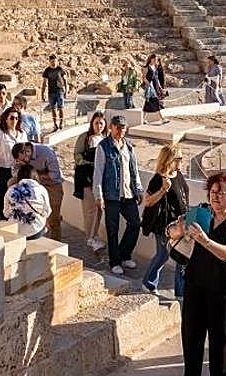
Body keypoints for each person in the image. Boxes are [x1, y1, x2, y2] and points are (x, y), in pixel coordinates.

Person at [168, 172, 226, 376]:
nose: (215, 197)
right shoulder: (201, 212)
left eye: (221, 193)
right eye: (213, 192)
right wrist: (177, 230)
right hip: (194, 288)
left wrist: (205, 241)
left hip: (222, 295)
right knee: (191, 350)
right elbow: (170, 230)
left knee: (219, 356)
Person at [93, 114, 143, 275]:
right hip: (111, 195)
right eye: (118, 127)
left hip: (128, 194)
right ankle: (115, 261)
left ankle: (124, 254)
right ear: (111, 127)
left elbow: (134, 169)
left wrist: (138, 189)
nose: (121, 130)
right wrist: (98, 195)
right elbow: (98, 172)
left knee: (135, 223)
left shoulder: (128, 146)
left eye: (123, 127)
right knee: (112, 229)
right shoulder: (103, 146)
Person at [140, 144, 189, 295]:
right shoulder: (158, 179)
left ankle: (180, 292)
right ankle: (148, 283)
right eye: (178, 158)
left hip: (181, 224)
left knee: (182, 257)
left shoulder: (178, 175)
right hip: (164, 225)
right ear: (169, 160)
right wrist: (163, 190)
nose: (181, 161)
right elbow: (147, 201)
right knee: (163, 255)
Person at [13, 140, 64, 240]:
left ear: (27, 152)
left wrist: (35, 174)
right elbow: (15, 172)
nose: (23, 162)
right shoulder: (20, 155)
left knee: (53, 219)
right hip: (32, 184)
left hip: (52, 186)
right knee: (11, 183)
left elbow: (54, 176)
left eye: (23, 160)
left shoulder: (46, 153)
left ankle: (55, 243)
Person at [74, 112, 107, 251]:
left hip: (100, 179)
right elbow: (77, 156)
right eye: (96, 123)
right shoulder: (85, 138)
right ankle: (90, 238)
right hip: (86, 178)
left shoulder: (105, 139)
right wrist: (90, 164)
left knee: (99, 208)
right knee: (90, 210)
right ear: (92, 123)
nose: (99, 126)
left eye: (101, 123)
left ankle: (94, 236)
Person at [0, 107, 26, 220]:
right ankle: (4, 223)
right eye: (11, 118)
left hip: (19, 171)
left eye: (16, 118)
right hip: (4, 169)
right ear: (6, 119)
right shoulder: (0, 134)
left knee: (18, 199)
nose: (14, 121)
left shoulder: (22, 134)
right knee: (4, 198)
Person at [6, 164, 52, 240]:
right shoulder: (41, 189)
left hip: (15, 229)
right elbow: (47, 212)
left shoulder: (11, 189)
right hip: (35, 230)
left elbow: (6, 213)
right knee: (45, 226)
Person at [40, 55, 68, 132]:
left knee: (61, 108)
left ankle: (61, 123)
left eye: (55, 61)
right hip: (51, 92)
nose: (54, 63)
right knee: (53, 109)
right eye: (52, 62)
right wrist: (42, 93)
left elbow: (65, 80)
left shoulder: (60, 69)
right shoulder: (47, 70)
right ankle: (55, 124)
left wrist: (66, 91)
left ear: (57, 61)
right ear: (49, 62)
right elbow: (44, 83)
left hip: (59, 91)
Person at [143, 53, 168, 125]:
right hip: (150, 88)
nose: (155, 60)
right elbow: (144, 78)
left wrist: (160, 87)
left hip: (156, 87)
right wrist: (149, 86)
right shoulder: (146, 67)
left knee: (147, 103)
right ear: (150, 59)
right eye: (154, 59)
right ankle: (162, 119)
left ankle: (143, 119)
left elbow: (157, 78)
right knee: (156, 102)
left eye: (156, 59)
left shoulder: (155, 67)